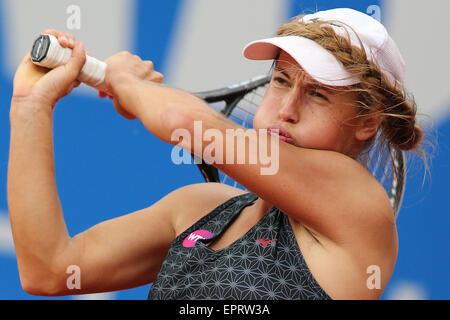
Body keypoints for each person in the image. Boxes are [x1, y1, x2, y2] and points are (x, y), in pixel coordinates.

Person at [8, 8, 425, 300]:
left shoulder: (360, 203)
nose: (287, 109)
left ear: (367, 122)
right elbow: (49, 268)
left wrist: (129, 83)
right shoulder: (200, 209)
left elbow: (186, 124)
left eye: (317, 93)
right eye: (281, 80)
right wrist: (30, 105)